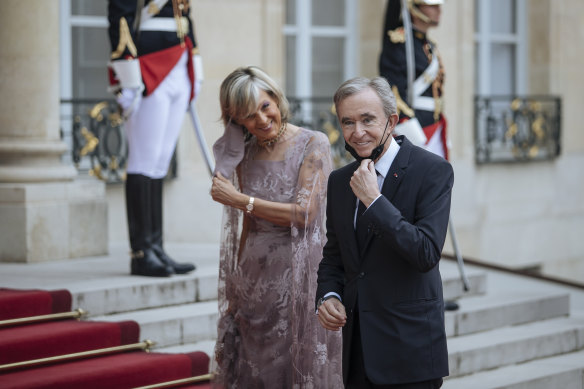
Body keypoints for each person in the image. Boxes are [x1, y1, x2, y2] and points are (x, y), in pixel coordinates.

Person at [210, 66, 343, 388]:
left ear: (275, 97)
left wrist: (240, 199)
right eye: (248, 115)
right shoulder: (244, 153)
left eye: (265, 106)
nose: (261, 120)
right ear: (236, 119)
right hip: (255, 277)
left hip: (299, 275)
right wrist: (236, 281)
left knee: (295, 361)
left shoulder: (314, 143)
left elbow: (305, 214)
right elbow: (248, 227)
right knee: (255, 362)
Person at [316, 76, 452, 388]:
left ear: (391, 121)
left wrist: (373, 200)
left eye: (367, 120)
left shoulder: (432, 170)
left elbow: (425, 252)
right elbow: (334, 255)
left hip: (411, 351)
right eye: (347, 122)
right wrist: (328, 295)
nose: (357, 132)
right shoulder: (339, 180)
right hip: (358, 351)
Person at [107, 0, 202, 277]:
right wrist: (126, 73)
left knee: (160, 162)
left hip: (180, 60)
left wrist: (194, 59)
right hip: (148, 64)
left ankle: (156, 247)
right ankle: (140, 253)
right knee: (143, 159)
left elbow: (184, 13)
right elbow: (120, 16)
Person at [379, 0, 448, 159]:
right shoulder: (398, 43)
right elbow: (393, 92)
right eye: (432, 6)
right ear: (414, 7)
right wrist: (411, 131)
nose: (439, 10)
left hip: (435, 126)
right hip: (417, 128)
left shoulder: (430, 45)